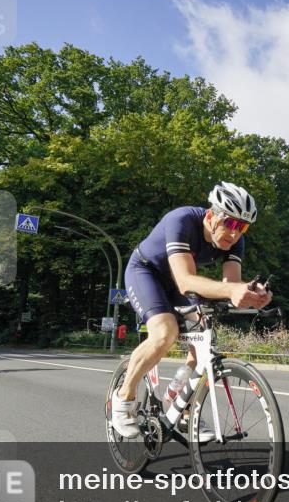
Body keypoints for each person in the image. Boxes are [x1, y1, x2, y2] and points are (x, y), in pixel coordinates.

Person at [112, 182, 272, 438]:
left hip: (178, 282)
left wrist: (252, 295)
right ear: (211, 216)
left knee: (204, 340)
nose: (235, 233)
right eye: (230, 223)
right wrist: (233, 291)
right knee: (165, 333)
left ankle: (183, 407)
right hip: (146, 272)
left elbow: (230, 287)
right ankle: (123, 399)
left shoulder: (234, 243)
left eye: (242, 227)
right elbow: (186, 281)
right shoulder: (182, 220)